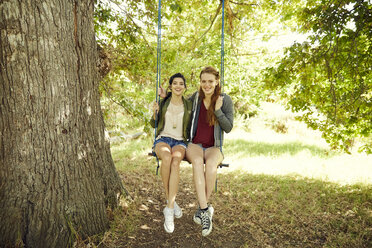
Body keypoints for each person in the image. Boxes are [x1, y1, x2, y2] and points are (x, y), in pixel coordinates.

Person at [186, 66, 234, 236]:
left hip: (215, 146)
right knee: (198, 163)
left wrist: (219, 110)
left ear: (217, 82)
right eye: (204, 81)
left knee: (212, 164)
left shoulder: (225, 100)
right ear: (200, 82)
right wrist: (164, 98)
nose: (207, 85)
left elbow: (228, 128)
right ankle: (206, 210)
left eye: (210, 81)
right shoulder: (194, 98)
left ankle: (201, 208)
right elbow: (177, 105)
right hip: (195, 145)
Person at [150, 73, 192, 233]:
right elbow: (154, 124)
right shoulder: (163, 102)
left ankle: (170, 205)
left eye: (181, 83)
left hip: (180, 141)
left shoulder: (188, 105)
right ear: (170, 86)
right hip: (163, 139)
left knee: (175, 161)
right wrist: (155, 112)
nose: (178, 86)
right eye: (175, 83)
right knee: (166, 157)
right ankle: (171, 205)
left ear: (185, 87)